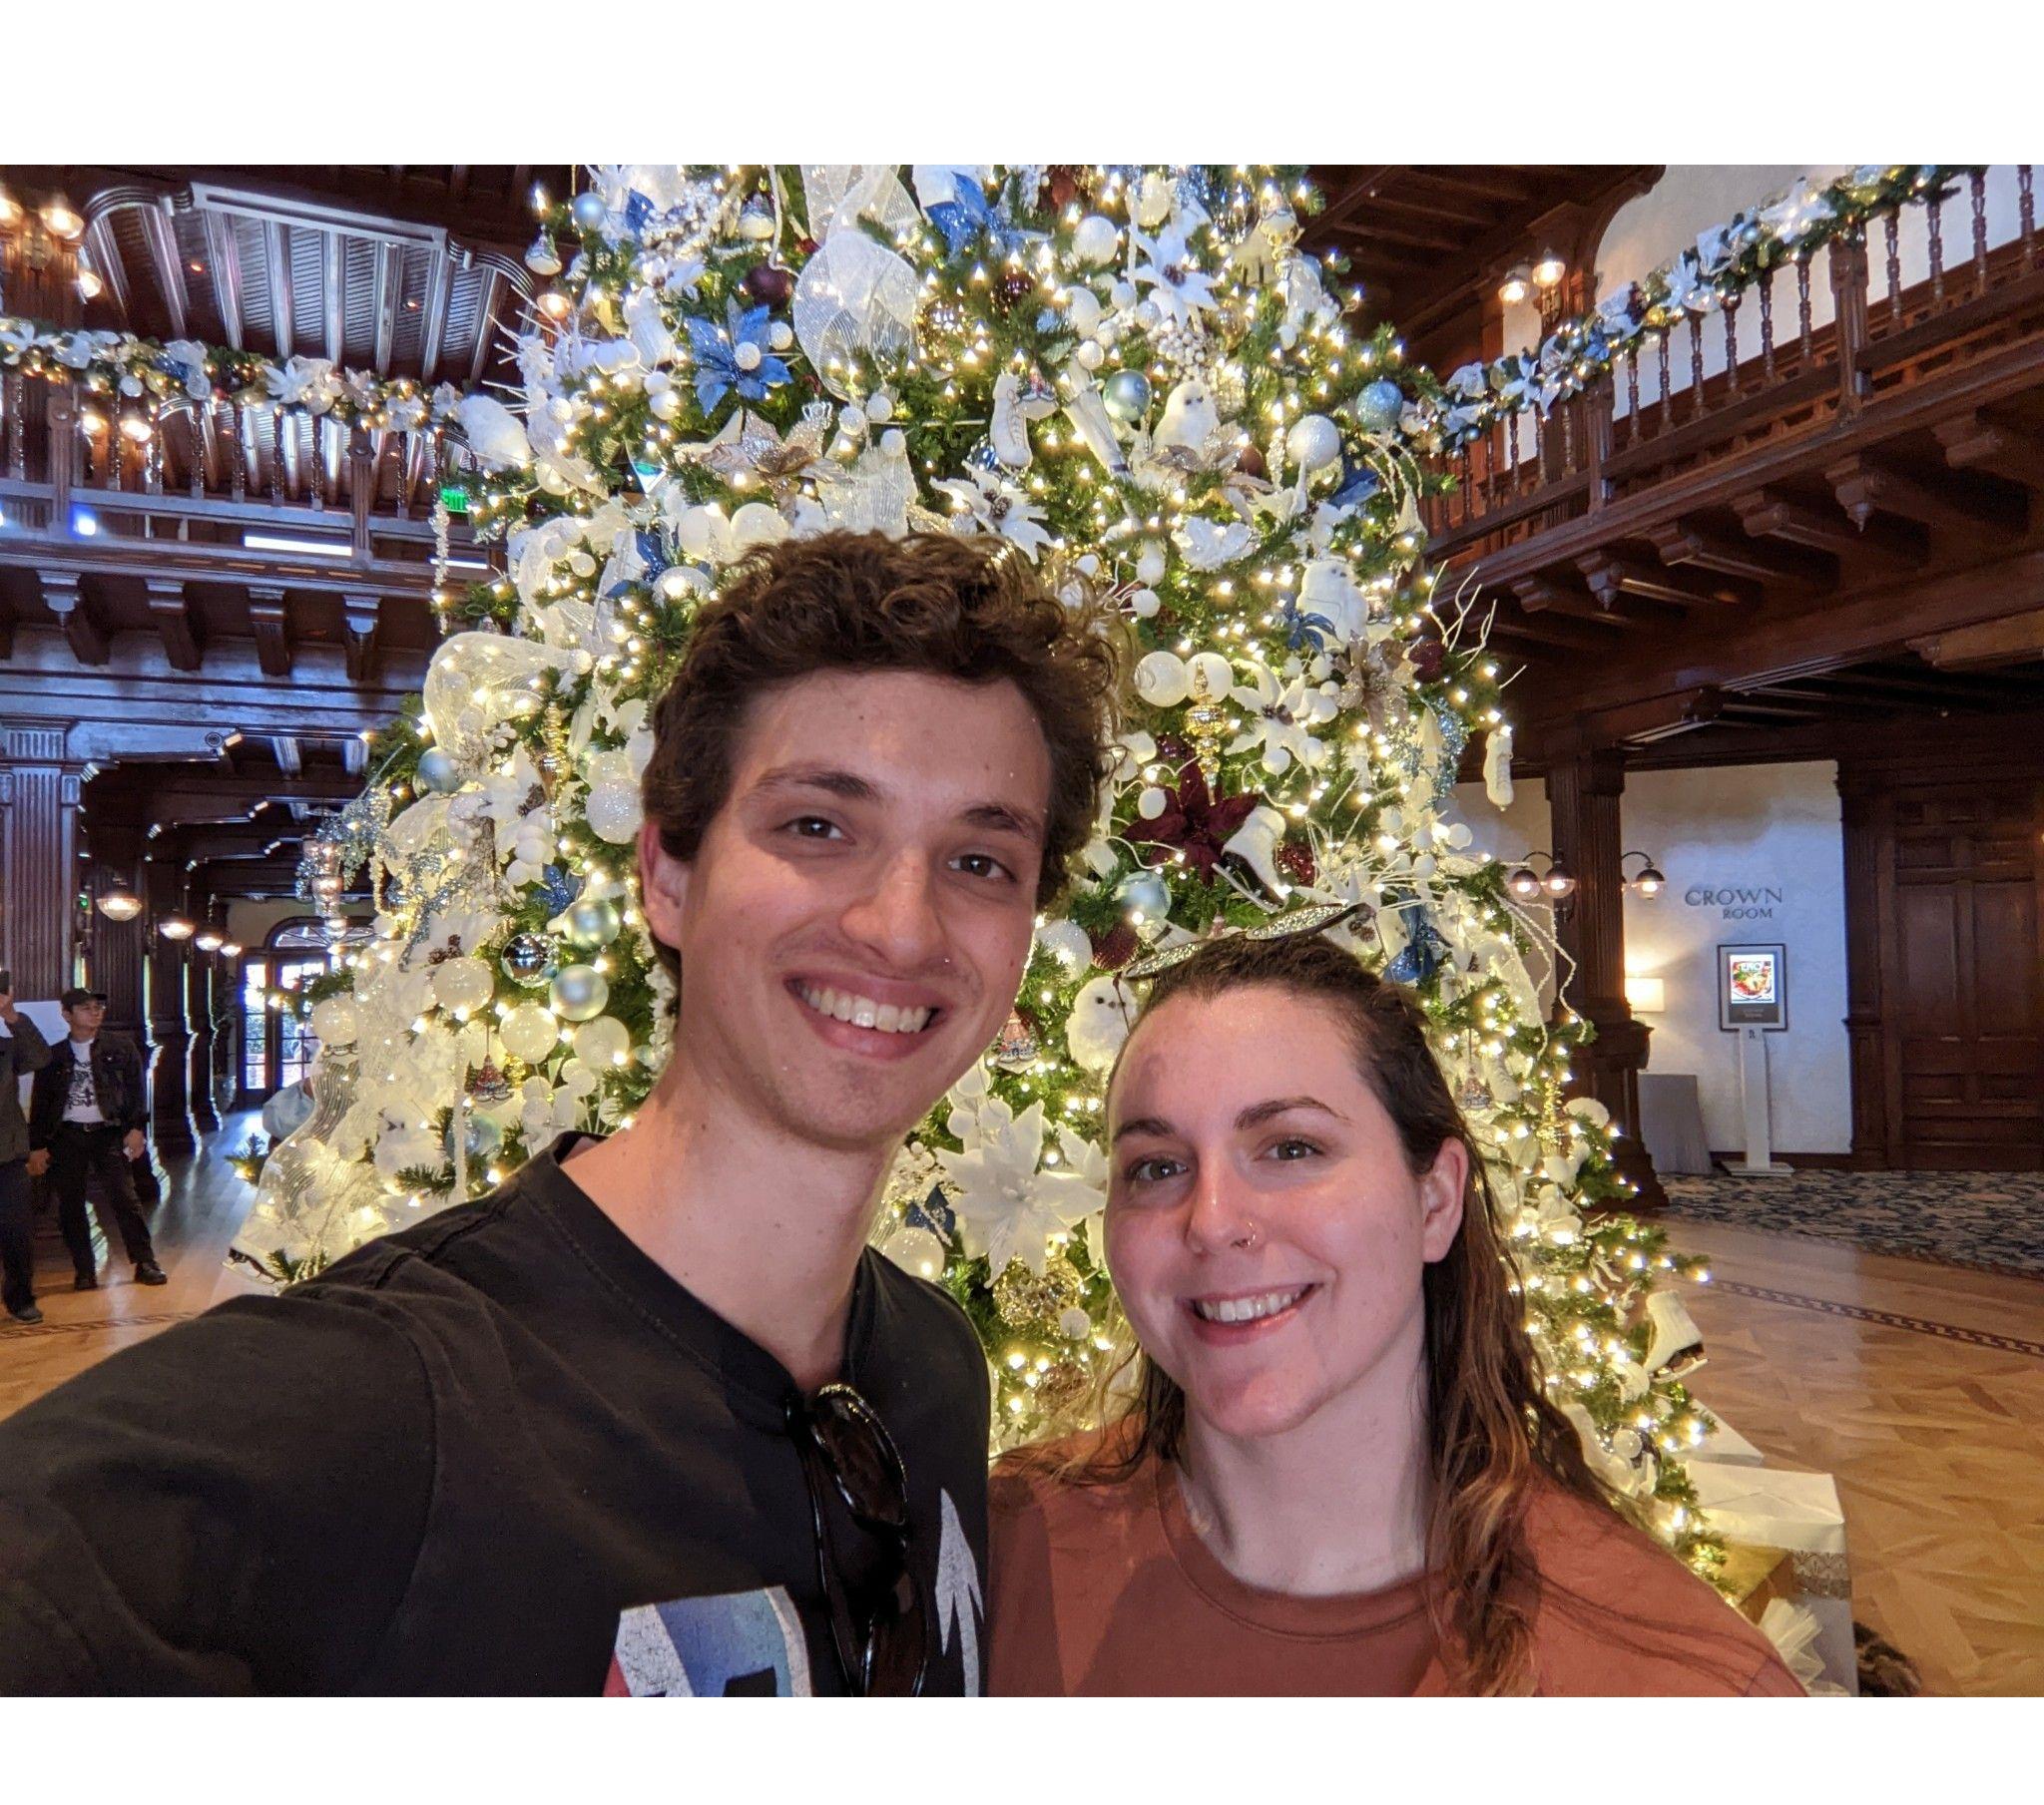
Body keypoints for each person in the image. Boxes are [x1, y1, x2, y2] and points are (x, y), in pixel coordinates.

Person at [0, 532, 1119, 1694]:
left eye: (981, 860)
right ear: (666, 875)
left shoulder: (935, 1369)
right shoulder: (382, 1405)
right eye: (817, 826)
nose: (901, 926)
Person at [987, 929, 1802, 1696]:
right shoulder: (1003, 1549)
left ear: (1436, 1200)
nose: (1210, 1221)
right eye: (1157, 1167)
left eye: (1291, 1148)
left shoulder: (1677, 1680)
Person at [27, 988, 166, 1292]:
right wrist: (37, 1145)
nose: (95, 1012)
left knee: (125, 1199)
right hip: (67, 1136)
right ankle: (84, 1270)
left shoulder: (119, 1048)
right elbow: (42, 1102)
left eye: (98, 1007)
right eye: (86, 1008)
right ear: (67, 1014)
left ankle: (145, 1262)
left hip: (108, 1133)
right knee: (70, 1205)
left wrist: (136, 1127)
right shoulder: (55, 1055)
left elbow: (136, 1091)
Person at [0, 974, 55, 1326]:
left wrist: (11, 1014)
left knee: (18, 1233)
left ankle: (21, 1298)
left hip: (7, 1155)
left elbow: (40, 1057)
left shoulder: (5, 1046)